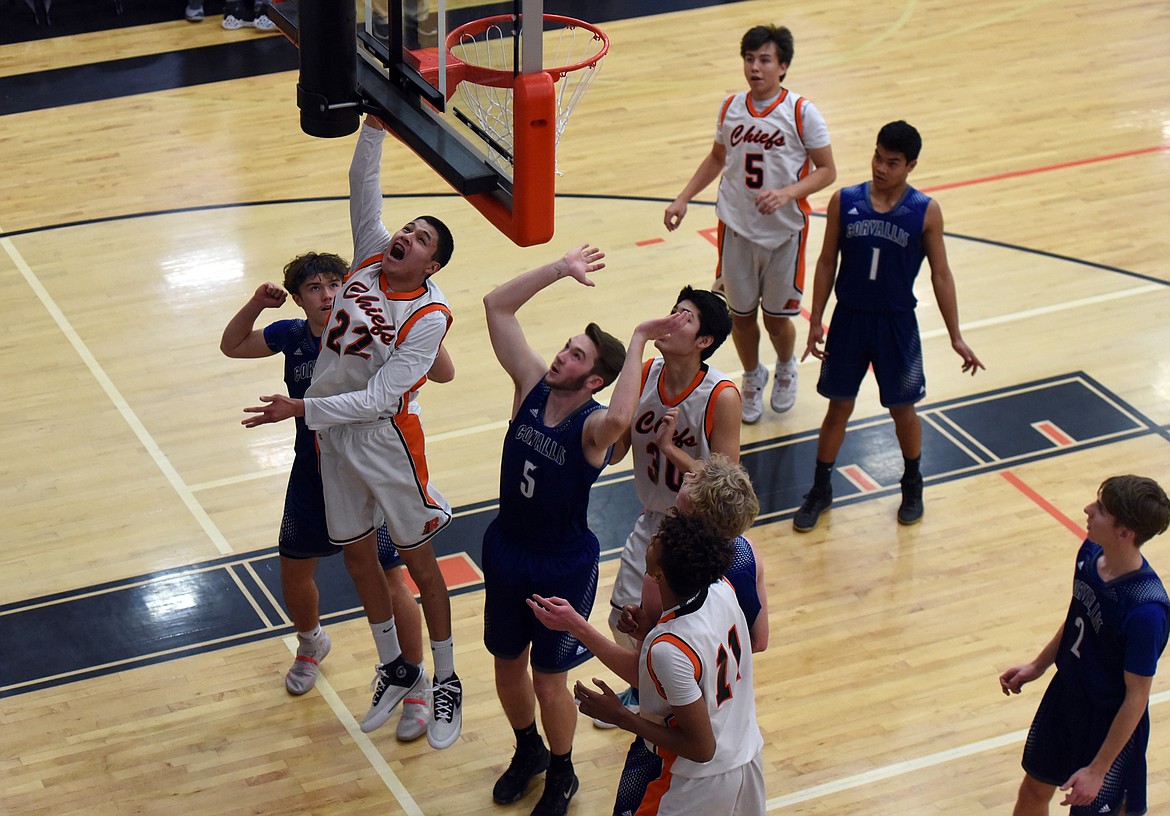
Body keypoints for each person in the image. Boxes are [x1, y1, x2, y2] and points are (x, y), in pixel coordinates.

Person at [241, 115, 462, 750]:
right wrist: (376, 124)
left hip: (384, 439)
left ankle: (444, 679)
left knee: (420, 566)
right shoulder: (369, 254)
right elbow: (363, 184)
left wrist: (299, 409)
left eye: (419, 238)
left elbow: (378, 400)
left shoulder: (428, 314)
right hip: (331, 436)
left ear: (432, 261)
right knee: (358, 557)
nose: (404, 236)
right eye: (407, 228)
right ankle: (396, 668)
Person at [480, 244, 689, 816]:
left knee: (550, 681)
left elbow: (622, 419)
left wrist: (641, 336)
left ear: (593, 377)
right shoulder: (529, 386)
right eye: (566, 347)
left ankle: (563, 773)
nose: (560, 357)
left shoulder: (595, 426)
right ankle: (529, 753)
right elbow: (496, 306)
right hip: (505, 548)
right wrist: (558, 269)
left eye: (575, 356)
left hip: (558, 564)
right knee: (505, 664)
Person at [221, 252, 451, 741]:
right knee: (294, 568)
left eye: (333, 284)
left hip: (368, 471)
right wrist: (256, 304)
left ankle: (414, 682)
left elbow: (441, 370)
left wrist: (424, 325)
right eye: (314, 288)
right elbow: (233, 345)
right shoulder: (292, 336)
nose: (326, 294)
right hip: (313, 470)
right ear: (301, 299)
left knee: (394, 580)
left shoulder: (371, 327)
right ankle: (311, 643)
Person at [792, 120, 984, 532]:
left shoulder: (925, 211)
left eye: (892, 162)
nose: (881, 167)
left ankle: (912, 484)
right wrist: (816, 319)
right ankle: (820, 489)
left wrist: (956, 336)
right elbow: (827, 262)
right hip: (850, 321)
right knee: (837, 407)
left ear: (910, 165)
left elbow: (941, 275)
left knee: (903, 409)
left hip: (897, 324)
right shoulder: (845, 200)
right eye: (877, 157)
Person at [531, 510, 766, 816]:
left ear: (659, 575)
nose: (654, 537)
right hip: (747, 757)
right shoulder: (720, 589)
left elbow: (700, 747)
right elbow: (690, 662)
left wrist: (621, 716)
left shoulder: (669, 647)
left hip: (698, 783)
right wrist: (580, 625)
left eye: (660, 541)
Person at [664, 24, 837, 425]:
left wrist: (789, 192)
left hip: (784, 233)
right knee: (740, 316)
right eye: (749, 59)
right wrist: (683, 197)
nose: (755, 67)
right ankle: (754, 375)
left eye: (764, 60)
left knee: (777, 319)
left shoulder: (801, 112)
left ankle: (786, 364)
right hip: (736, 229)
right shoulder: (731, 107)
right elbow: (716, 158)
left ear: (783, 66)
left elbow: (827, 170)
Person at [603, 286, 740, 721]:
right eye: (672, 311)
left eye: (684, 317)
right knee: (623, 619)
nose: (671, 320)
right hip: (651, 518)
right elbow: (617, 446)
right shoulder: (646, 374)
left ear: (704, 341)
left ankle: (676, 699)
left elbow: (727, 489)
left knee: (675, 625)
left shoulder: (722, 396)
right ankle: (649, 688)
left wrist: (670, 449)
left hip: (698, 529)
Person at [999, 475, 1170, 816]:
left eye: (1101, 509)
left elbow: (1136, 697)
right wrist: (1038, 665)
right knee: (1033, 791)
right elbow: (1079, 614)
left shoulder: (1145, 610)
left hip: (1109, 723)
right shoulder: (1090, 552)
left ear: (1125, 532)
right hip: (1066, 697)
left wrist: (1098, 769)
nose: (1088, 510)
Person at [610, 453, 768, 816]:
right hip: (740, 734)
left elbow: (650, 662)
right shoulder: (747, 557)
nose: (668, 520)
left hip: (685, 753)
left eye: (677, 516)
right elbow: (757, 641)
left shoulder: (662, 580)